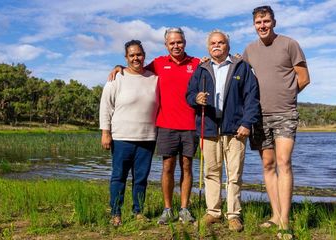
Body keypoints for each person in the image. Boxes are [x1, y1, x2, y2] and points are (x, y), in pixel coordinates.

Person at [108, 27, 200, 224]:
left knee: (187, 166)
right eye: (172, 43)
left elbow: (213, 70)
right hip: (166, 125)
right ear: (166, 45)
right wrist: (119, 67)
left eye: (179, 42)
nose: (176, 46)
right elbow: (136, 69)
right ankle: (167, 209)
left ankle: (184, 208)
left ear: (185, 42)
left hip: (191, 125)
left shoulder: (196, 63)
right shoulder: (158, 64)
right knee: (167, 167)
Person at [242, 5, 310, 239]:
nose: (263, 26)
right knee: (268, 165)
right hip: (259, 116)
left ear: (274, 22)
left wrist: (287, 96)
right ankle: (274, 215)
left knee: (284, 162)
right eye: (258, 22)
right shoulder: (249, 50)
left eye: (266, 21)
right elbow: (236, 74)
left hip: (285, 114)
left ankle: (285, 221)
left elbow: (304, 78)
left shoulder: (290, 44)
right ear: (254, 25)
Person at [186, 30, 260, 232]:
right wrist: (195, 99)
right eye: (213, 43)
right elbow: (189, 94)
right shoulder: (201, 69)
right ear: (208, 47)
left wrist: (247, 123)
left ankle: (234, 215)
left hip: (236, 129)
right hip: (208, 128)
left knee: (234, 175)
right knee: (211, 173)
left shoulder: (241, 67)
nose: (216, 46)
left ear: (228, 45)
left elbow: (252, 98)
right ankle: (213, 212)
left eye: (221, 42)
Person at [99, 40, 159, 226]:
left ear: (144, 55)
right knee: (119, 177)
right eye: (132, 55)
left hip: (147, 137)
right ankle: (116, 213)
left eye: (139, 54)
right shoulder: (117, 78)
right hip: (121, 137)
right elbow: (105, 106)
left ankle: (138, 211)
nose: (136, 58)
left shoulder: (154, 78)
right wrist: (105, 132)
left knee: (141, 179)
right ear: (126, 58)